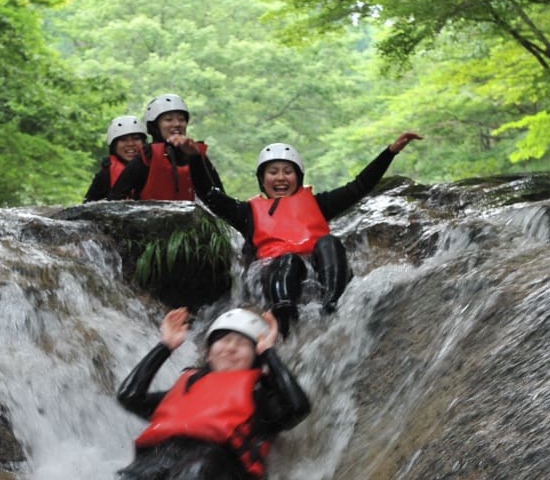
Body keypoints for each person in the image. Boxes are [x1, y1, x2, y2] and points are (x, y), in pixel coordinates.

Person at [189, 133, 423, 336]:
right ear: (262, 179)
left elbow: (359, 186)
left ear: (298, 178)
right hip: (273, 275)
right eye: (273, 172)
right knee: (288, 259)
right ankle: (283, 312)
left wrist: (390, 152)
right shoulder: (247, 212)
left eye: (287, 172)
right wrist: (193, 158)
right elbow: (210, 196)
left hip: (315, 272)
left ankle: (332, 302)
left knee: (329, 242)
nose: (280, 177)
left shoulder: (319, 203)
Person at [117, 307, 310, 479]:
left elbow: (298, 407)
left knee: (202, 466)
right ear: (209, 353)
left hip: (215, 470)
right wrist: (165, 345)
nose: (231, 348)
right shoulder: (185, 390)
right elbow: (129, 397)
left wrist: (269, 352)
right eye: (224, 340)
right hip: (155, 463)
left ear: (256, 357)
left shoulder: (260, 400)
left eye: (242, 344)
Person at [108, 93, 223, 201]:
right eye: (168, 119)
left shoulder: (196, 155)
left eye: (181, 119)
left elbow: (219, 199)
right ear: (155, 126)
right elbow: (115, 198)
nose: (177, 124)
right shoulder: (147, 156)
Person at [84, 115, 148, 202]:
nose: (130, 144)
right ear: (114, 146)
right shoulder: (105, 173)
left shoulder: (154, 165)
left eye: (136, 138)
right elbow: (88, 205)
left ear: (143, 143)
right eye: (123, 140)